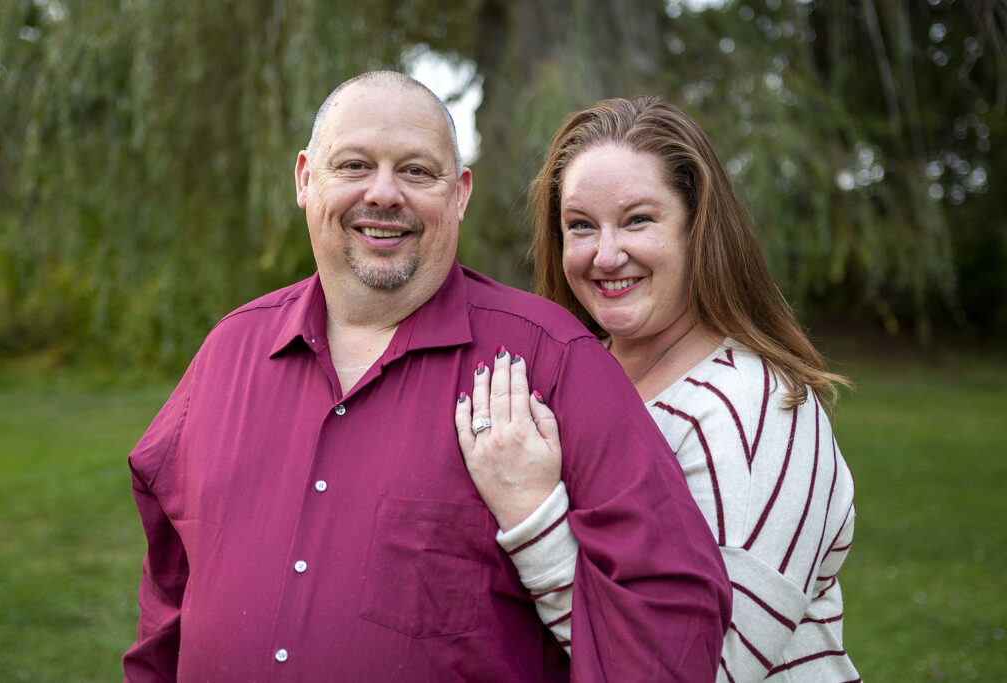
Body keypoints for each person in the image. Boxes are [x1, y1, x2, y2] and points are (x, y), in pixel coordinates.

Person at [123, 72, 731, 681]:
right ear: (306, 179)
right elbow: (169, 594)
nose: (384, 194)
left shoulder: (554, 362)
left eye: (417, 171)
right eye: (355, 165)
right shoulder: (230, 351)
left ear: (460, 193)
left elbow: (670, 615)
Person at [458, 96, 859, 681]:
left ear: (699, 227)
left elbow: (704, 668)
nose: (606, 254)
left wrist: (531, 515)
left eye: (638, 219)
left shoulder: (759, 410)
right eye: (580, 226)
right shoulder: (573, 377)